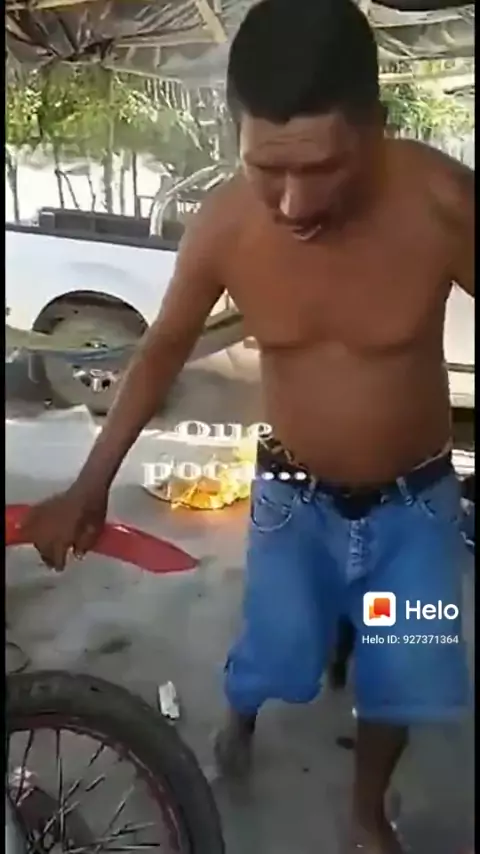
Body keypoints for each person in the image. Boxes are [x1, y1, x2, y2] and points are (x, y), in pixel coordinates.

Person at [21, 1, 474, 851]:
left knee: (405, 670)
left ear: (375, 127)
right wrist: (89, 485)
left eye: (323, 168)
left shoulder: (444, 204)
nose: (293, 203)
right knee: (278, 654)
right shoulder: (227, 226)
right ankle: (244, 706)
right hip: (293, 505)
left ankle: (365, 809)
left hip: (416, 508)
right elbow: (160, 352)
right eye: (267, 169)